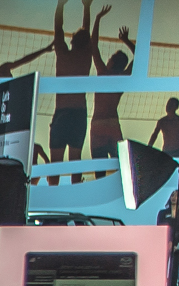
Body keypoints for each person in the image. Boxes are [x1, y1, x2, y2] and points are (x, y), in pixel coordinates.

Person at [46, 0, 104, 184]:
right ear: (87, 43)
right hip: (78, 113)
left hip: (62, 112)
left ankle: (52, 193)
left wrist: (60, 5)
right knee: (75, 162)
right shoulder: (86, 56)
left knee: (55, 163)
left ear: (72, 40)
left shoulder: (63, 54)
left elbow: (58, 29)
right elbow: (85, 30)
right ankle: (75, 192)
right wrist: (86, 7)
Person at [88, 24, 135, 159]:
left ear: (112, 62)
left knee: (99, 165)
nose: (107, 60)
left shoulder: (103, 72)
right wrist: (126, 40)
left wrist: (97, 19)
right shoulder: (122, 78)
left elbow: (93, 46)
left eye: (109, 59)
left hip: (99, 123)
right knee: (118, 164)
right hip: (113, 124)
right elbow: (140, 56)